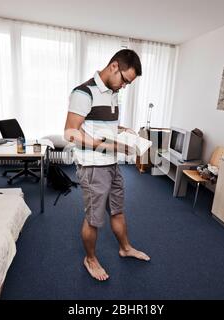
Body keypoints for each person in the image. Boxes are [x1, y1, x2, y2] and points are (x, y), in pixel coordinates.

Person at [64, 49, 150, 281]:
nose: (124, 86)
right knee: (94, 218)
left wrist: (123, 131)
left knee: (118, 210)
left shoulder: (113, 92)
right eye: (125, 80)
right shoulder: (83, 93)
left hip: (112, 164)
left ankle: (125, 248)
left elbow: (102, 126)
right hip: (93, 167)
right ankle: (90, 259)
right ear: (114, 67)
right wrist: (107, 146)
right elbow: (70, 132)